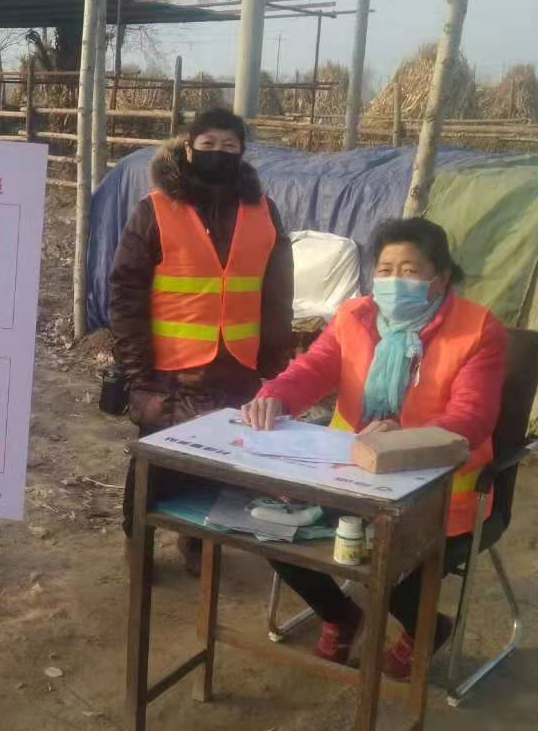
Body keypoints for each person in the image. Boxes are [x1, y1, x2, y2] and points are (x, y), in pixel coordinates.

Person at [242, 217, 507, 678]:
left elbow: (473, 416)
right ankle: (340, 614)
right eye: (385, 270)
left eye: (410, 270)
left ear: (441, 278)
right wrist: (274, 397)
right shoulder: (354, 316)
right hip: (348, 474)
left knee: (387, 563)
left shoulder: (478, 329)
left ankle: (427, 629)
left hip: (439, 491)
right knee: (272, 527)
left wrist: (402, 439)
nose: (393, 281)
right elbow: (313, 369)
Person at [110, 107, 294, 573]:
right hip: (169, 371)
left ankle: (198, 541)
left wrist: (275, 363)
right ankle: (138, 545)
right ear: (189, 149)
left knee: (223, 463)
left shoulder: (264, 211)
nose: (218, 153)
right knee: (154, 467)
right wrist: (136, 371)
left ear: (242, 153)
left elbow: (278, 291)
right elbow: (126, 291)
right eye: (208, 144)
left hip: (238, 367)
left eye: (229, 145)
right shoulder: (154, 209)